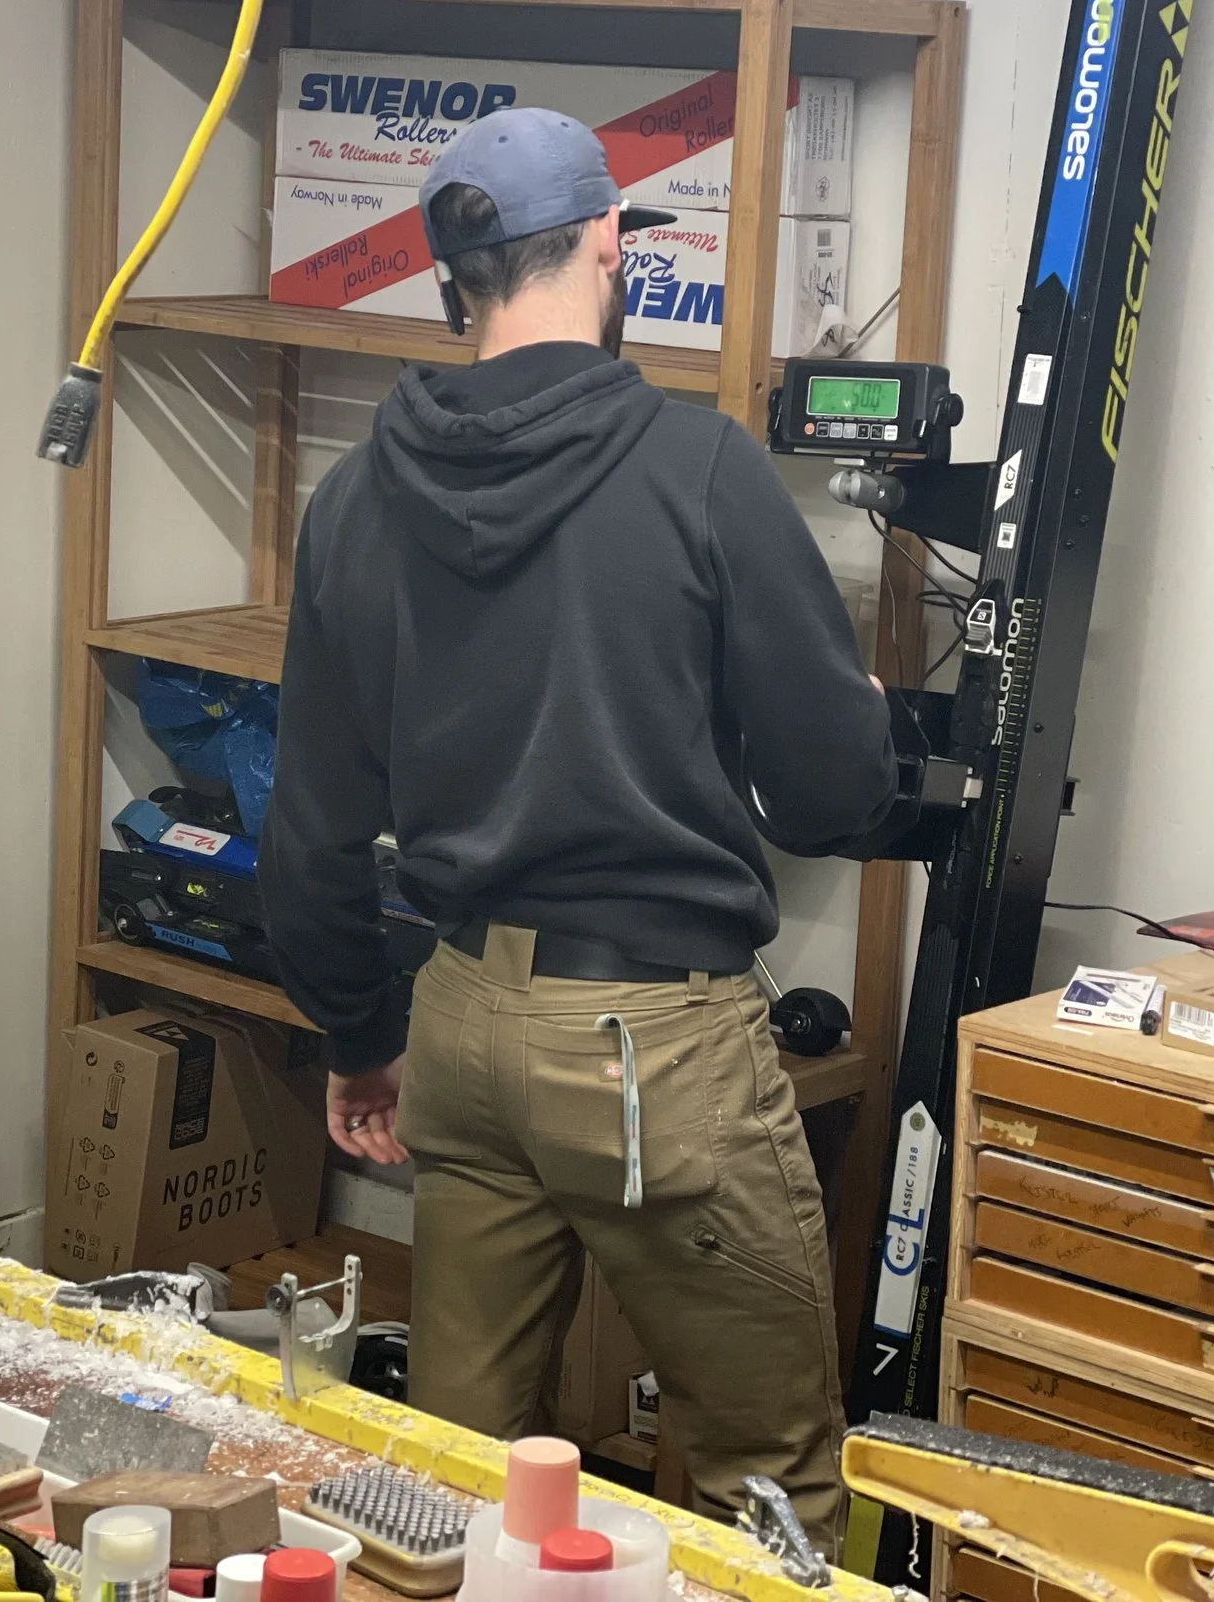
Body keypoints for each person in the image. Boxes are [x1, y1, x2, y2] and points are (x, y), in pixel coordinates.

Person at [259, 106, 897, 1539]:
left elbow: (304, 843)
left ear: (455, 281)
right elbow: (833, 792)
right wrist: (845, 707)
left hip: (463, 1032)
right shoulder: (700, 471)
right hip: (653, 1053)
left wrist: (362, 1035)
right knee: (771, 1481)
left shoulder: (355, 499)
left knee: (453, 1485)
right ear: (611, 248)